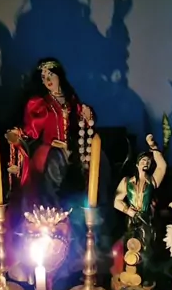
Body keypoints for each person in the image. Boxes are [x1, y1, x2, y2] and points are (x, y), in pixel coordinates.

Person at [6, 58, 104, 210]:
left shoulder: (71, 100)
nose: (48, 80)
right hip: (50, 149)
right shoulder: (40, 103)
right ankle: (52, 209)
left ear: (59, 76)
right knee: (54, 164)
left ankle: (84, 209)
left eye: (51, 75)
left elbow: (84, 122)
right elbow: (32, 129)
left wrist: (87, 115)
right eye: (44, 77)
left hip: (72, 148)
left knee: (97, 160)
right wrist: (18, 133)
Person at [114, 134, 167, 282]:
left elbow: (162, 166)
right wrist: (128, 210)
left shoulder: (152, 181)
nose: (146, 163)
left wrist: (153, 147)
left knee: (146, 249)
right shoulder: (127, 182)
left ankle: (145, 278)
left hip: (146, 219)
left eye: (148, 162)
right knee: (129, 247)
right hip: (131, 219)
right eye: (143, 160)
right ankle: (128, 277)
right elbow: (117, 200)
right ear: (137, 164)